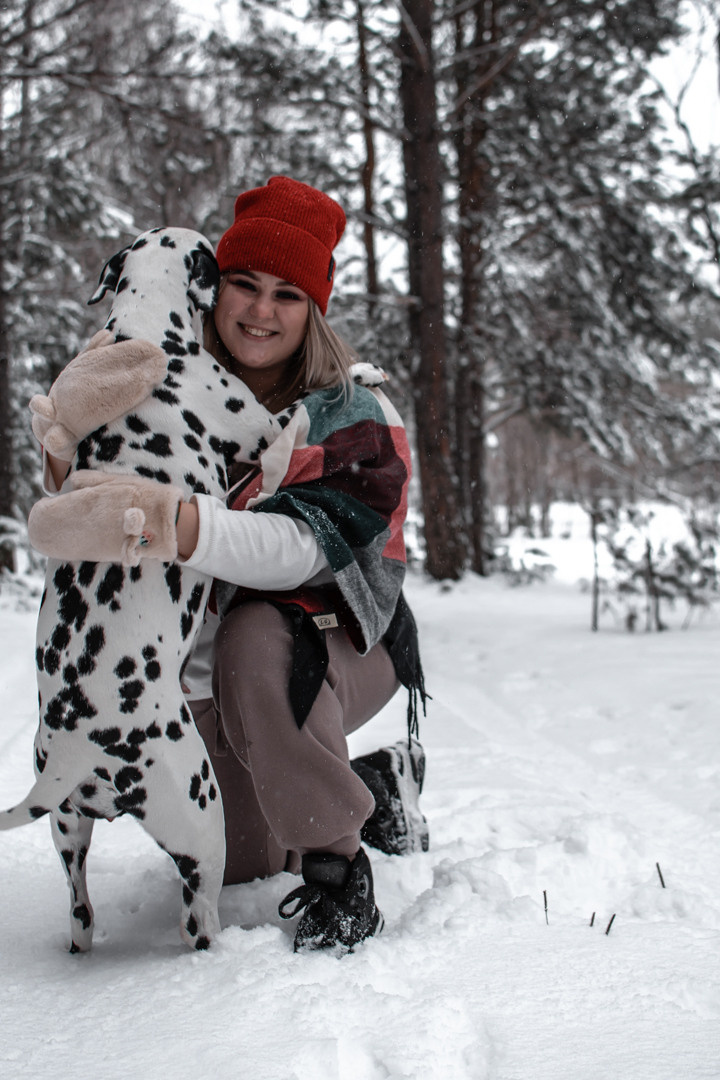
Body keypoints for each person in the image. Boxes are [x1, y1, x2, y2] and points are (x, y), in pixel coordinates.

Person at [36, 176, 428, 954]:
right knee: (241, 862)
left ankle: (339, 868)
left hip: (343, 645)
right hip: (211, 674)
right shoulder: (163, 386)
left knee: (259, 633)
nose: (258, 310)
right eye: (243, 285)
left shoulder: (353, 411)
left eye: (286, 294)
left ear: (313, 308)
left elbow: (300, 550)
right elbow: (93, 526)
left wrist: (175, 526)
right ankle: (374, 786)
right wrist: (65, 451)